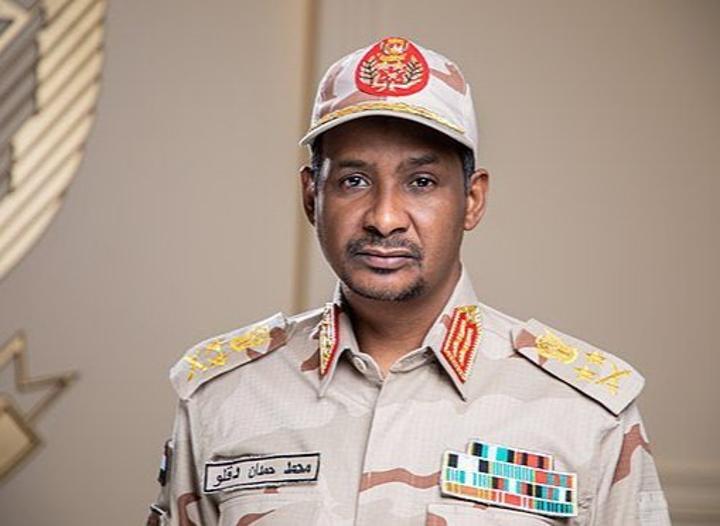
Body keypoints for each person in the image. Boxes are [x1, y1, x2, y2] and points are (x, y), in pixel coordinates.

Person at [147, 36, 670, 525]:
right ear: (312, 196)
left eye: (421, 182)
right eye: (354, 181)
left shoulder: (586, 412)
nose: (385, 218)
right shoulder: (222, 395)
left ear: (472, 200)